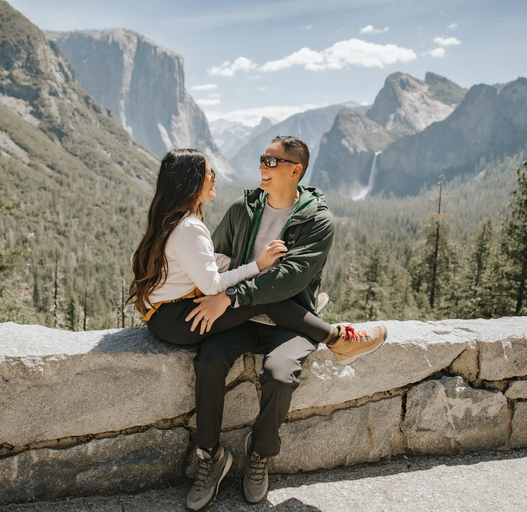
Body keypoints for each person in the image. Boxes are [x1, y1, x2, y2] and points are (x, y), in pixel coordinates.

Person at [128, 144, 387, 510]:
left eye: (271, 161)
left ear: (295, 170)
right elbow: (210, 260)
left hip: (288, 317)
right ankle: (210, 456)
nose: (261, 166)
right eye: (261, 159)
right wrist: (222, 294)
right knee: (210, 361)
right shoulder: (241, 209)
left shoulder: (316, 221)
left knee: (280, 376)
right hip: (240, 319)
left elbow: (288, 281)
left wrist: (228, 298)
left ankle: (259, 454)